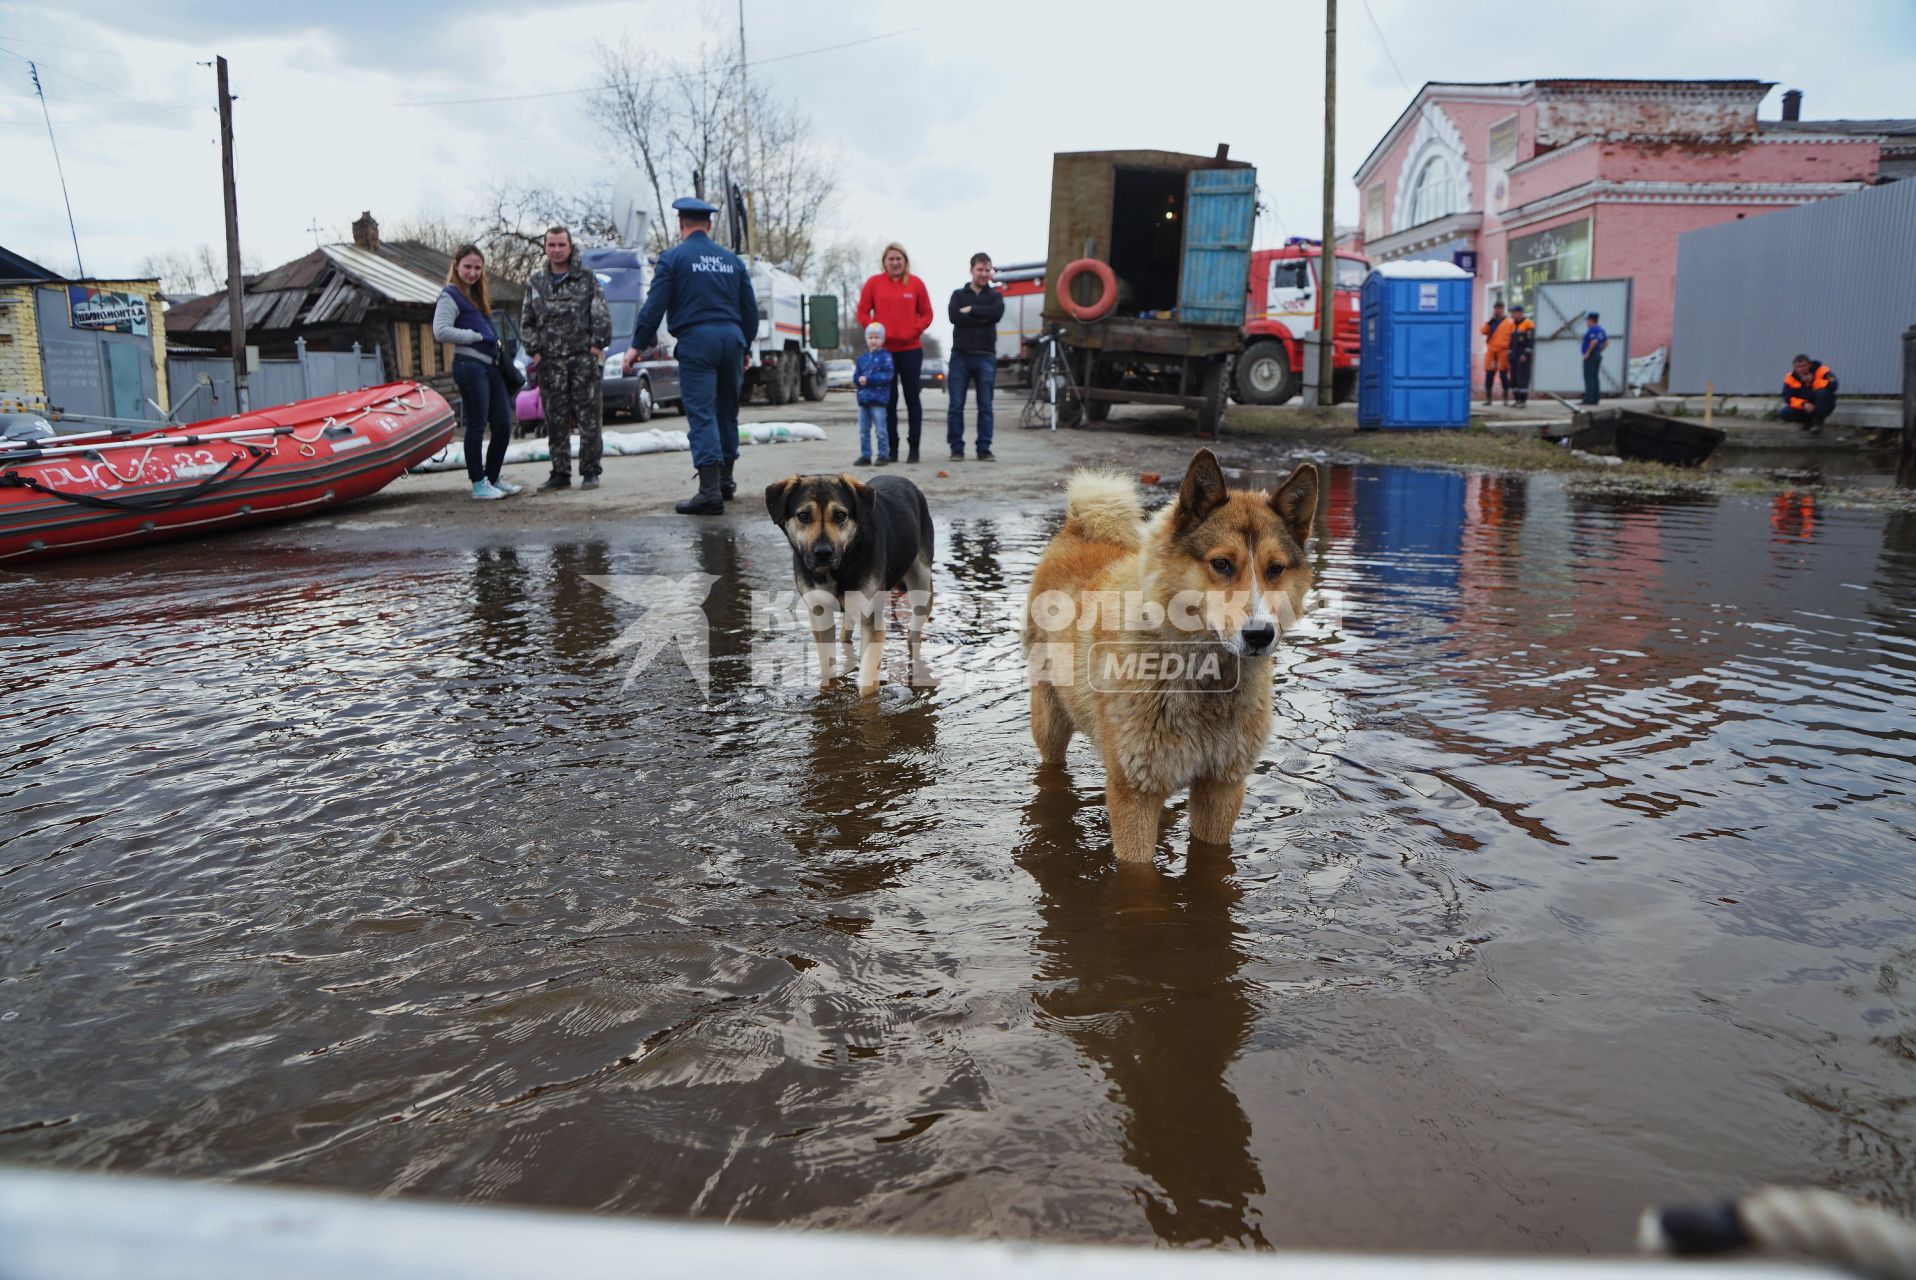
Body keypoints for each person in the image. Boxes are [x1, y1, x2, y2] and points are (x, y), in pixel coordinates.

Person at [624, 196, 759, 515]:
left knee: (702, 414)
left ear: (681, 224)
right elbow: (750, 311)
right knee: (727, 411)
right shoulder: (732, 261)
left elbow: (654, 307)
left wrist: (636, 347)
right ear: (709, 226)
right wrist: (745, 346)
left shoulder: (673, 259)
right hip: (731, 339)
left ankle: (709, 491)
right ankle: (726, 482)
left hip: (698, 341)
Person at [521, 225, 611, 491]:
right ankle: (560, 472)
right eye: (552, 245)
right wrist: (535, 353)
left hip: (582, 359)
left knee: (589, 418)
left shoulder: (586, 278)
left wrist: (595, 348)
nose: (557, 250)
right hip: (550, 363)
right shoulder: (536, 282)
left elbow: (601, 317)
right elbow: (527, 322)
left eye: (561, 245)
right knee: (555, 419)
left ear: (570, 247)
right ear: (545, 248)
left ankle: (590, 471)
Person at [434, 244, 520, 500]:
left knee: (503, 425)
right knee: (476, 425)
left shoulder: (476, 296)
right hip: (469, 366)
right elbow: (440, 330)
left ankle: (492, 477)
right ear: (456, 266)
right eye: (467, 267)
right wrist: (473, 336)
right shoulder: (450, 294)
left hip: (490, 367)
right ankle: (478, 483)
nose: (472, 272)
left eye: (477, 268)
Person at [855, 243, 934, 463]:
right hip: (884, 353)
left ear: (905, 261)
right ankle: (891, 448)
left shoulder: (916, 284)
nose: (895, 262)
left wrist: (915, 329)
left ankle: (914, 447)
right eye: (891, 259)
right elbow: (862, 311)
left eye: (899, 258)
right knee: (888, 401)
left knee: (912, 399)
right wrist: (874, 329)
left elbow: (927, 313)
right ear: (884, 262)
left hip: (910, 350)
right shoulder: (874, 283)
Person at [946, 252, 1004, 461]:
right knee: (956, 406)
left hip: (985, 357)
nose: (983, 273)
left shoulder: (995, 296)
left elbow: (996, 314)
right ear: (971, 270)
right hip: (960, 357)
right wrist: (982, 316)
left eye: (987, 270)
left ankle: (984, 448)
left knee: (986, 406)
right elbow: (954, 317)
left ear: (991, 271)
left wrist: (971, 310)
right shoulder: (958, 295)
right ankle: (956, 448)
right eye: (980, 269)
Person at [853, 323, 894, 466]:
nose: (874, 340)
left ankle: (883, 455)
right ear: (866, 339)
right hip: (863, 400)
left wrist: (869, 379)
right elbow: (856, 376)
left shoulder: (886, 357)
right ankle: (866, 455)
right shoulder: (862, 358)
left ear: (882, 339)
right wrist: (858, 380)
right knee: (863, 431)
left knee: (881, 430)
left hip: (878, 400)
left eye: (877, 337)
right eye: (871, 337)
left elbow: (888, 376)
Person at [1778, 354, 1838, 435]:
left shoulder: (1822, 370)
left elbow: (1834, 384)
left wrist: (1813, 381)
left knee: (1823, 394)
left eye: (1803, 366)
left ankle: (1819, 422)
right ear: (1794, 367)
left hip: (1821, 403)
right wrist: (1803, 404)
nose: (1801, 369)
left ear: (1809, 365)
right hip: (1804, 405)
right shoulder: (1790, 377)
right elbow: (1788, 398)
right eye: (1798, 367)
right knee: (1784, 412)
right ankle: (1808, 423)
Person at [1480, 300, 1513, 406]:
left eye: (1500, 308)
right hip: (1491, 352)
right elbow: (1483, 331)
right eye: (1496, 308)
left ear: (1503, 309)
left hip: (1503, 352)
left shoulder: (1509, 322)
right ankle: (1488, 399)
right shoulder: (1491, 322)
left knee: (1504, 375)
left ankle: (1505, 399)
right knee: (1489, 375)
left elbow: (1513, 336)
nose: (1498, 310)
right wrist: (1490, 321)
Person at [1507, 303, 1536, 407]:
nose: (1512, 315)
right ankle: (1517, 399)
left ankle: (1523, 401)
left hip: (1523, 357)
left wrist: (1525, 354)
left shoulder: (1528, 324)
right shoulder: (1512, 325)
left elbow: (1530, 342)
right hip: (1514, 356)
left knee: (1522, 378)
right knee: (1513, 379)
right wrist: (1509, 353)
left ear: (1520, 313)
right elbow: (1510, 342)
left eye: (1513, 313)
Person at [1580, 311, 1608, 406]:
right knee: (1595, 377)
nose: (1587, 322)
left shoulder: (1592, 329)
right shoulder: (1601, 330)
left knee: (1589, 377)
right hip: (1597, 354)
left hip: (1591, 356)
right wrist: (1599, 350)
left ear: (1591, 320)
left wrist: (1588, 352)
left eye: (1587, 320)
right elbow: (1606, 343)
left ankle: (1589, 400)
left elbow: (1594, 341)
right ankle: (1595, 399)